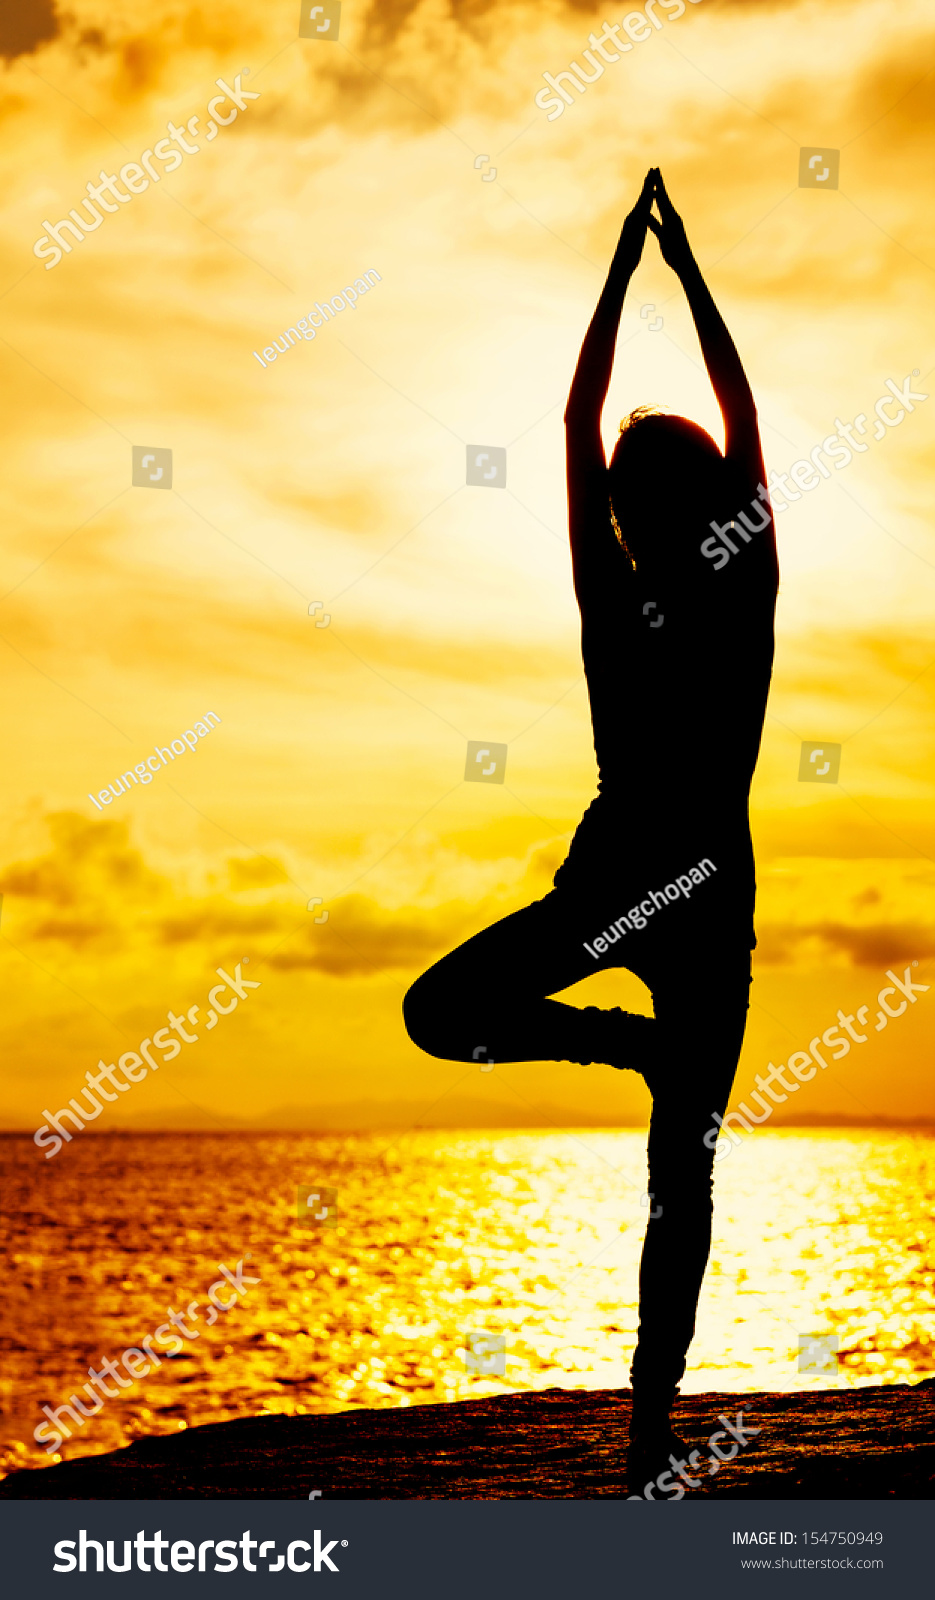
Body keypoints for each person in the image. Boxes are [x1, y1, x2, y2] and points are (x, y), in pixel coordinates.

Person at [403, 169, 778, 1492]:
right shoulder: (743, 587)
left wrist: (629, 277)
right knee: (676, 1166)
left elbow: (579, 421)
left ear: (629, 513)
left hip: (650, 895)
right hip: (680, 899)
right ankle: (648, 1429)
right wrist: (680, 277)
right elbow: (739, 426)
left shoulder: (650, 597)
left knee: (459, 1025)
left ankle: (648, 1430)